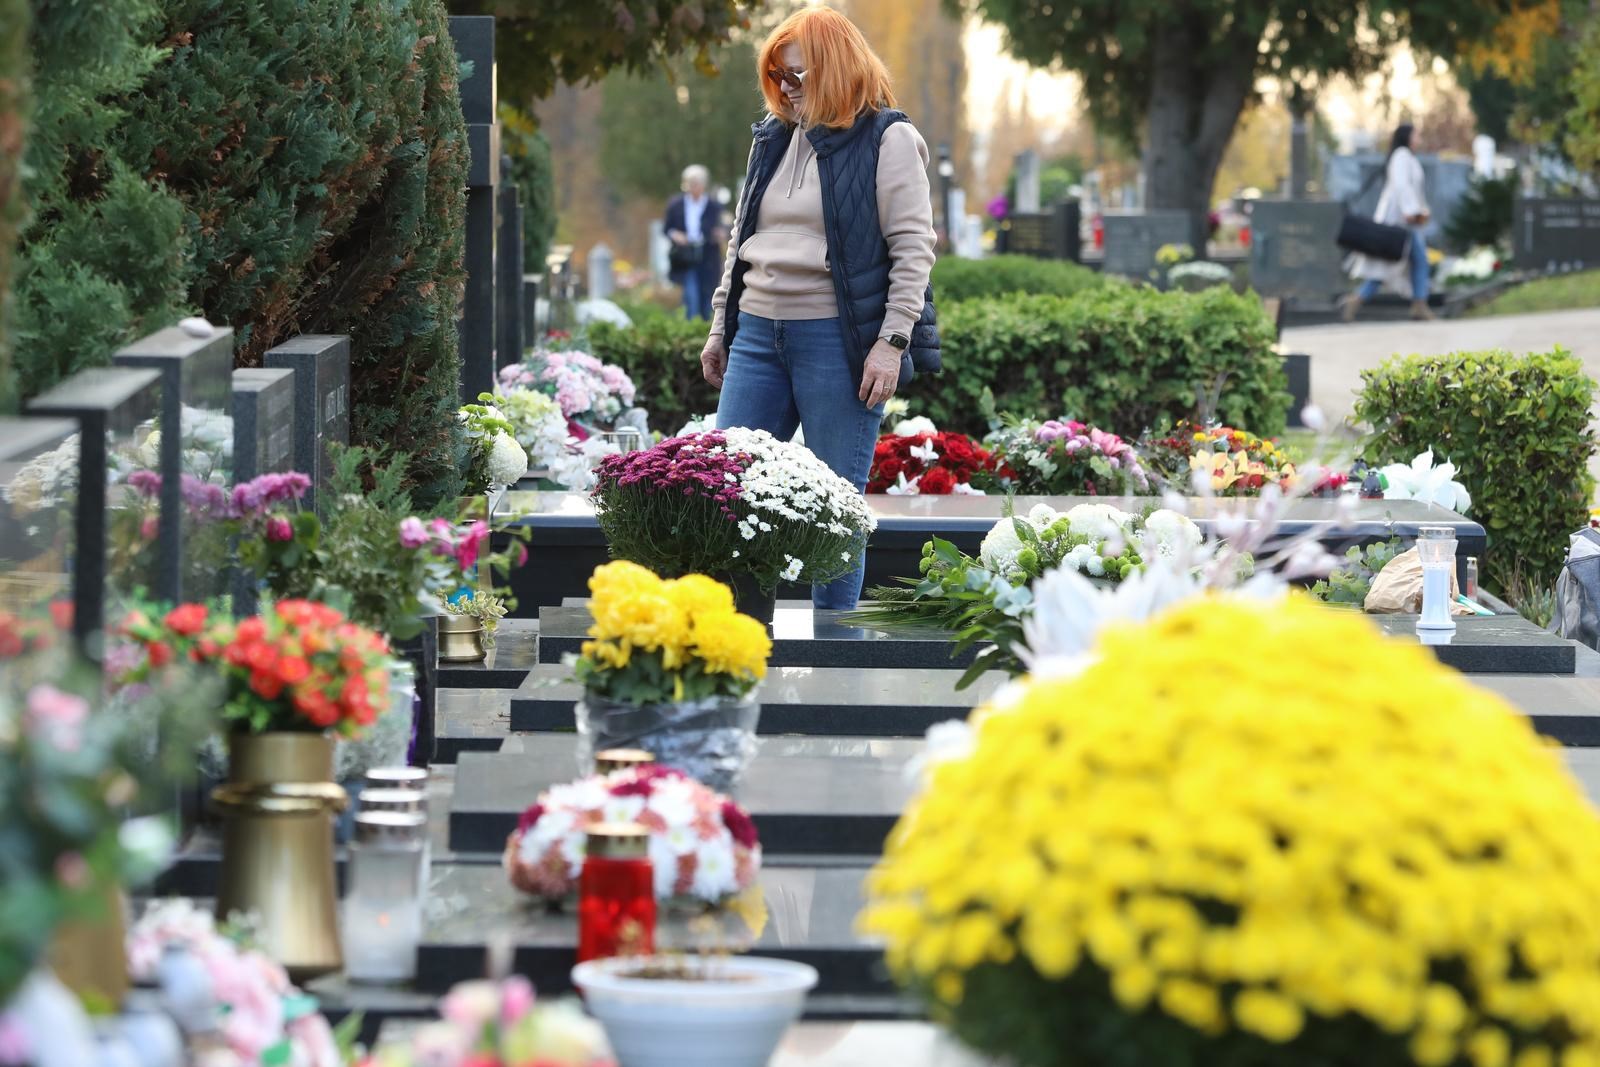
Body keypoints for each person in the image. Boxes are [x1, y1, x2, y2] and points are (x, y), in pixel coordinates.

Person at [699, 5, 939, 611]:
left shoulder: (888, 138)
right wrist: (721, 325)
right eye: (777, 75)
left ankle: (836, 653)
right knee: (730, 495)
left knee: (835, 511)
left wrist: (892, 342)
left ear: (834, 66)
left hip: (837, 342)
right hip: (757, 336)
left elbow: (914, 250)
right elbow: (740, 239)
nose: (785, 88)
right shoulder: (772, 137)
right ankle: (740, 643)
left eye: (796, 74)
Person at [1344, 123, 1434, 322]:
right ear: (1407, 137)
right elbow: (1402, 186)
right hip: (1400, 222)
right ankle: (1418, 305)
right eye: (1416, 135)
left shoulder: (1407, 157)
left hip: (1407, 222)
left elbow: (1413, 189)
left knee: (1394, 266)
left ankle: (1358, 300)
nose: (1419, 139)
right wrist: (1411, 211)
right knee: (1403, 263)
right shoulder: (1401, 156)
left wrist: (1421, 210)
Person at [665, 165, 725, 321]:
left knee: (708, 296)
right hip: (686, 256)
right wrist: (676, 235)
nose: (693, 188)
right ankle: (691, 327)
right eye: (690, 184)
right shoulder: (676, 204)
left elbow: (723, 228)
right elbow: (667, 228)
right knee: (691, 296)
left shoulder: (714, 206)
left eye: (696, 184)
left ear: (703, 185)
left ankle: (706, 328)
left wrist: (719, 234)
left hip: (708, 256)